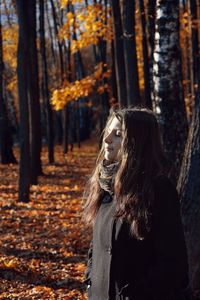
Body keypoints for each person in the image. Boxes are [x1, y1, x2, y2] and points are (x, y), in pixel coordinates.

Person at [83, 107, 191, 300]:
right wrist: (90, 280)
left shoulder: (158, 190)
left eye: (118, 135)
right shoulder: (104, 185)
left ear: (137, 143)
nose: (107, 140)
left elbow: (173, 262)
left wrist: (136, 293)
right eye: (108, 132)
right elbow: (96, 246)